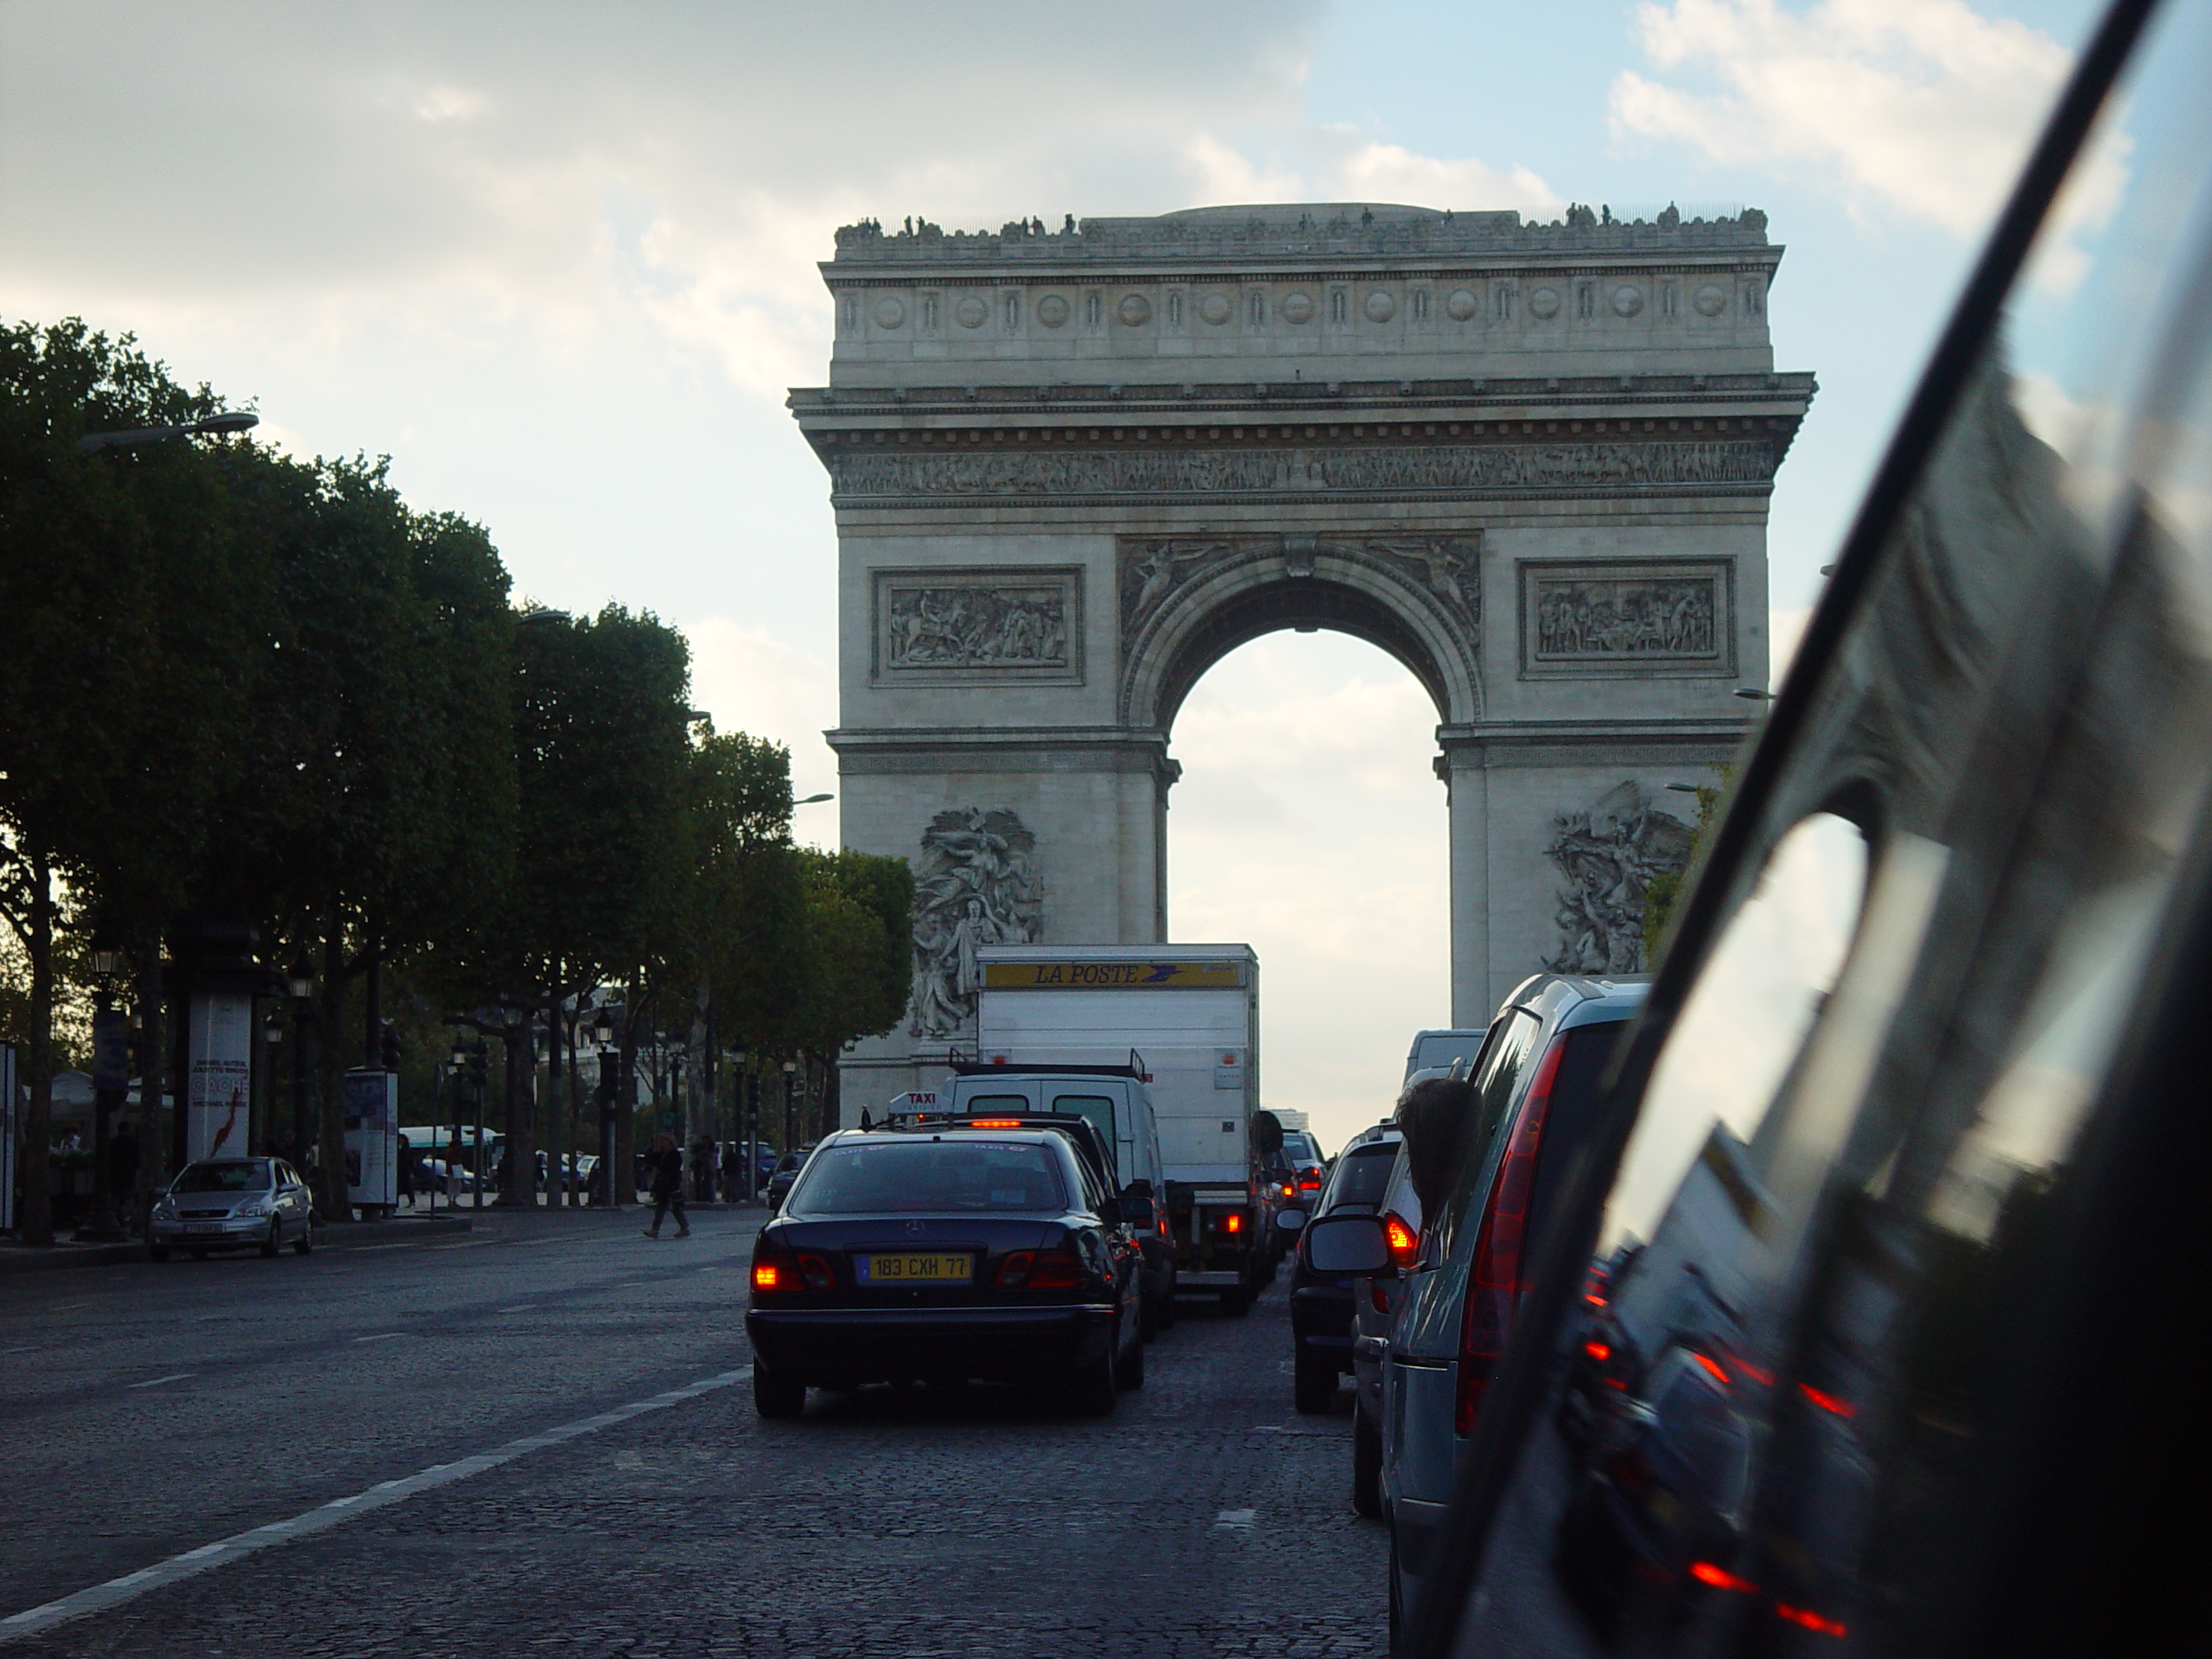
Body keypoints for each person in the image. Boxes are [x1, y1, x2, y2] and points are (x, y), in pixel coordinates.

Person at [643, 1134, 689, 1239]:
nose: (662, 1143)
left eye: (664, 1140)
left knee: (671, 1206)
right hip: (663, 1183)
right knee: (663, 1206)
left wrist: (672, 1182)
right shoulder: (662, 1153)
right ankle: (657, 1229)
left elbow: (674, 1169)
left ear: (670, 1142)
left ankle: (682, 1227)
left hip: (670, 1183)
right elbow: (652, 1162)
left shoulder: (674, 1154)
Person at [397, 1135, 416, 1208]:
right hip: (402, 1170)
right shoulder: (401, 1149)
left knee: (407, 1186)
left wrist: (411, 1171)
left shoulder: (406, 1150)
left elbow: (409, 1161)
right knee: (402, 1187)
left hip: (405, 1171)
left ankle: (412, 1201)